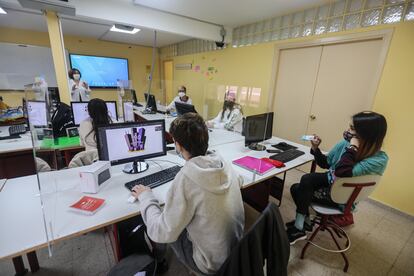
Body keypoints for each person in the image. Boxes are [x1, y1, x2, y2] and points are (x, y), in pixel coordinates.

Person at [131, 113, 245, 275]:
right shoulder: (223, 163)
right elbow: (239, 181)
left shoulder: (186, 179)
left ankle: (158, 260)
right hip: (235, 252)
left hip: (210, 264)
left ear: (178, 145)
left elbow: (161, 231)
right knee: (181, 215)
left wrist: (146, 197)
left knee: (167, 224)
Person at [286, 111, 389, 245]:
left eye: (352, 128)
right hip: (332, 181)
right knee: (297, 187)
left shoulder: (379, 160)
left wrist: (352, 148)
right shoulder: (344, 144)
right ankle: (305, 223)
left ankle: (299, 228)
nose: (347, 131)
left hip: (342, 197)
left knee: (303, 185)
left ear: (365, 135)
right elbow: (325, 163)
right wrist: (316, 149)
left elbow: (342, 172)